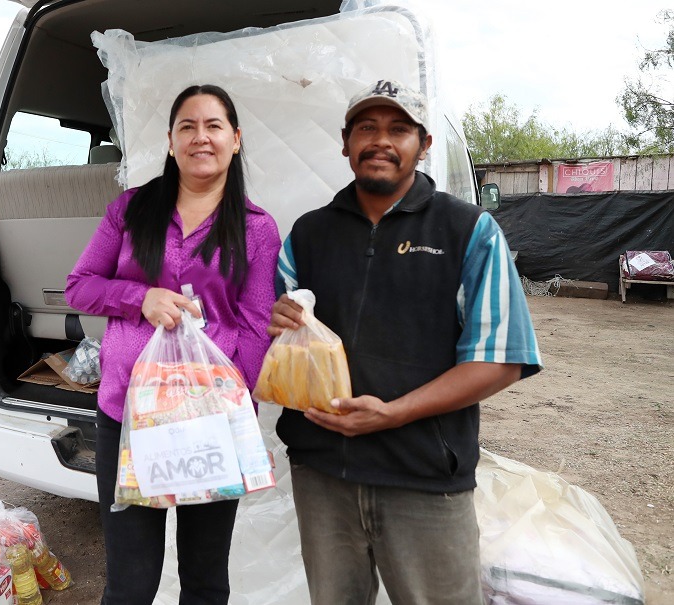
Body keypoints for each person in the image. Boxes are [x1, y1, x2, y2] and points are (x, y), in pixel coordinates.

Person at [269, 79, 543, 605]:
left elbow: (502, 359)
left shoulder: (469, 231)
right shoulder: (307, 234)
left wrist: (393, 414)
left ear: (424, 143)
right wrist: (277, 320)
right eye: (366, 127)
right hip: (323, 474)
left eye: (399, 129)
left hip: (425, 479)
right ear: (344, 142)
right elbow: (278, 344)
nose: (381, 140)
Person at [66, 84, 280, 605]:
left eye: (213, 127)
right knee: (131, 581)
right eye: (187, 126)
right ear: (169, 140)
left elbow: (255, 326)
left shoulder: (256, 229)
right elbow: (80, 286)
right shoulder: (131, 211)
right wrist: (139, 298)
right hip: (130, 415)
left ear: (235, 139)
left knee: (205, 579)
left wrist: (233, 406)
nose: (200, 137)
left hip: (211, 419)